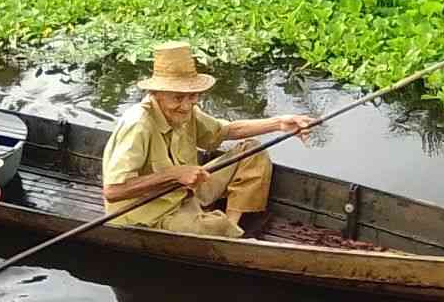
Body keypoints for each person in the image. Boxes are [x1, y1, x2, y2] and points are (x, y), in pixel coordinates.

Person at [101, 42, 315, 239]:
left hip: (187, 189)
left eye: (192, 96)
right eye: (177, 97)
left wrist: (279, 123)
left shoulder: (187, 110)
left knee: (252, 150)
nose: (186, 105)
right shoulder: (138, 125)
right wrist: (175, 174)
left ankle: (231, 224)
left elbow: (226, 131)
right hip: (151, 211)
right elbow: (113, 191)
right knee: (214, 228)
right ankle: (225, 232)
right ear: (156, 93)